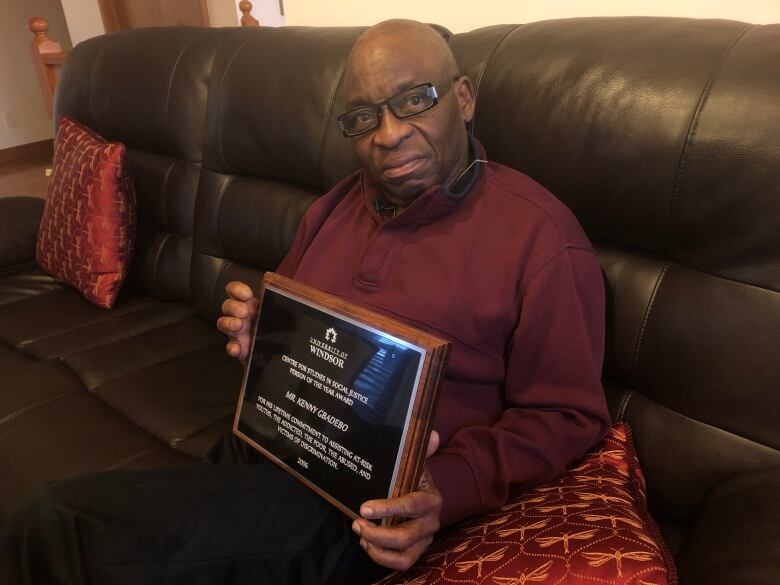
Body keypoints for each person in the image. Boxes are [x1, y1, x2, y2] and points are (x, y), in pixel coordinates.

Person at [0, 19, 609, 585]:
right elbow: (291, 328)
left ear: (465, 96)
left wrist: (443, 488)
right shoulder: (338, 205)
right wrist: (263, 342)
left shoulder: (541, 237)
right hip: (272, 443)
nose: (390, 135)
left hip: (360, 503)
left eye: (415, 101)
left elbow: (567, 417)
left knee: (58, 526)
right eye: (364, 118)